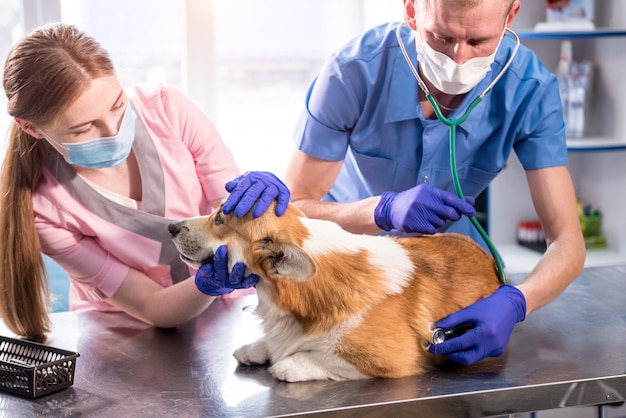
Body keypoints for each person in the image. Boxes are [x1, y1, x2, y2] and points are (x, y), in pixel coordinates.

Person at [284, 0, 585, 365]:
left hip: (447, 280)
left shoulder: (530, 88)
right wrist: (381, 210)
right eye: (441, 38)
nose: (459, 60)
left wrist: (516, 301)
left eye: (479, 41)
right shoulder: (352, 73)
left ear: (511, 17)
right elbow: (295, 209)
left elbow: (568, 242)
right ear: (411, 11)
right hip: (345, 269)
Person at [0, 23, 289, 342]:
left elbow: (232, 211)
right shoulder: (44, 211)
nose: (113, 131)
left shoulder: (168, 110)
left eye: (118, 106)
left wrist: (260, 206)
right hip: (124, 341)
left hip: (226, 324)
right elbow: (152, 305)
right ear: (32, 128)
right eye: (83, 129)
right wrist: (208, 283)